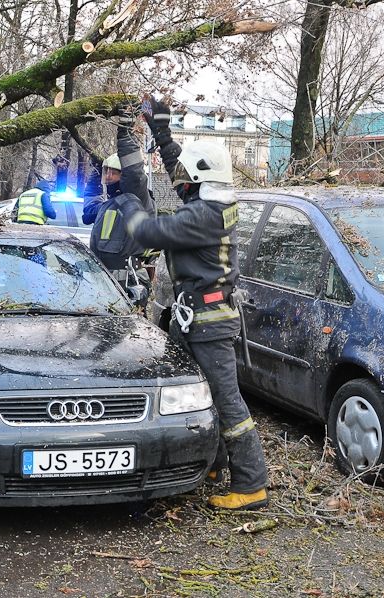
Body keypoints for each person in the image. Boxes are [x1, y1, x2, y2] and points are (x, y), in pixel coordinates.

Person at [116, 95, 269, 511]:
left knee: (227, 402)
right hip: (196, 316)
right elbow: (180, 170)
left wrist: (129, 202)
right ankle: (215, 467)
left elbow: (149, 231)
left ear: (201, 178)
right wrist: (162, 132)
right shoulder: (210, 203)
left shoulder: (203, 216)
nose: (180, 182)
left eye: (187, 177)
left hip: (209, 320)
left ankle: (252, 484)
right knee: (202, 396)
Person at [82, 112, 155, 276]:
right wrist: (95, 173)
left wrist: (125, 132)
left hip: (128, 276)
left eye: (113, 173)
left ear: (124, 175)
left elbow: (134, 173)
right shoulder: (110, 205)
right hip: (105, 274)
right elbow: (89, 211)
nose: (108, 177)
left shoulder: (136, 199)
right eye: (106, 172)